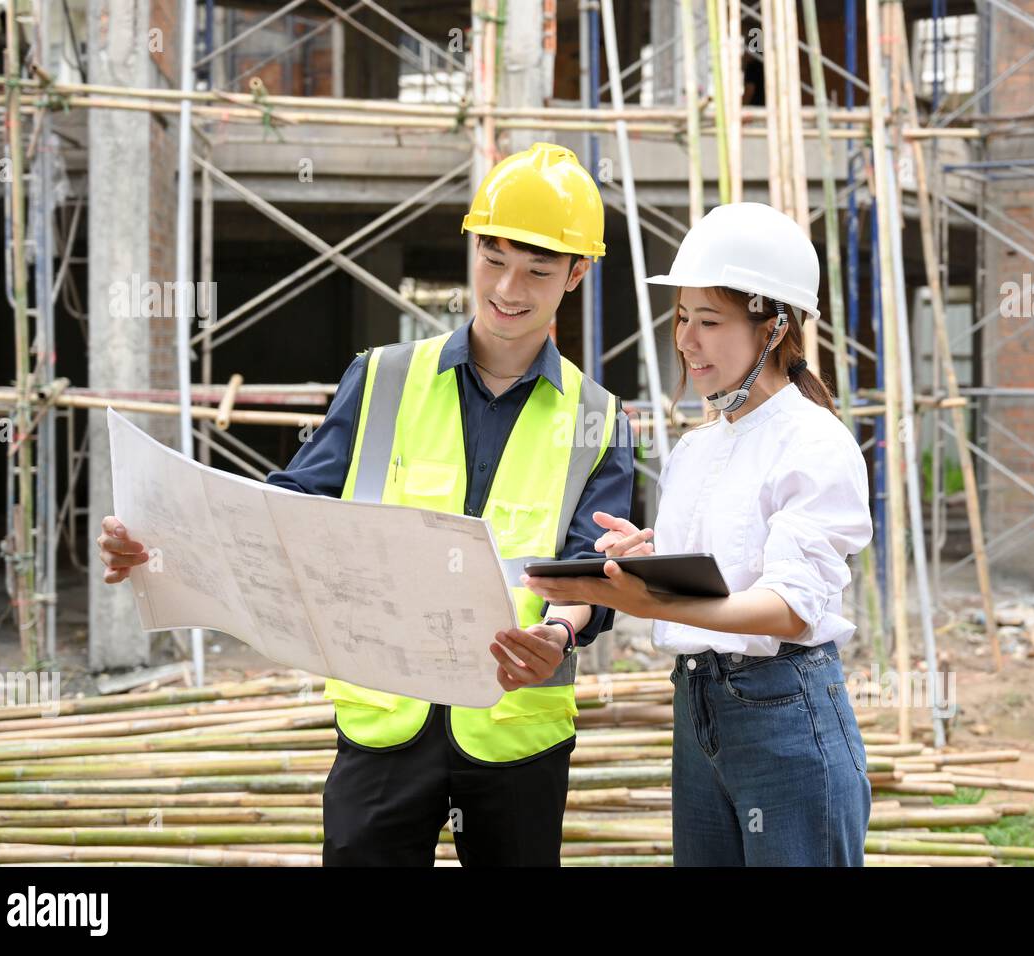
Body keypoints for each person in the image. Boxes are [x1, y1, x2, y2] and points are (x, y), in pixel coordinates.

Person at [96, 142, 636, 866]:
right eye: (492, 258)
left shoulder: (599, 416)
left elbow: (587, 571)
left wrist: (559, 637)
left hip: (517, 731)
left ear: (576, 274)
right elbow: (279, 518)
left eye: (537, 270)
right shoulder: (381, 379)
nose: (508, 287)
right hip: (384, 716)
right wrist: (161, 545)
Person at [523, 202, 873, 866]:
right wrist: (650, 561)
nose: (686, 339)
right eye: (682, 317)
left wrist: (656, 600)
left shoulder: (815, 442)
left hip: (783, 712)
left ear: (773, 328)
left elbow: (790, 608)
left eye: (710, 321)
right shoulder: (695, 449)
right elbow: (727, 570)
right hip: (698, 707)